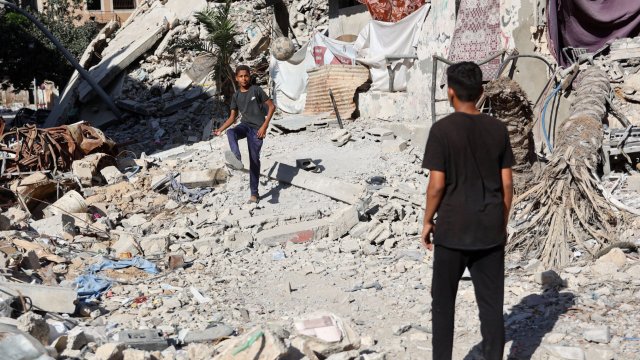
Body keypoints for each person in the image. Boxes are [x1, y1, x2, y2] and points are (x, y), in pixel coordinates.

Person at [420, 61, 514, 360]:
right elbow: (508, 184)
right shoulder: (498, 129)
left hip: (452, 230)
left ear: (450, 92)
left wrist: (426, 221)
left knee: (443, 305)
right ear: (481, 92)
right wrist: (502, 221)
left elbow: (436, 185)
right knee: (491, 307)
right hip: (489, 230)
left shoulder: (442, 130)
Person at [213, 65, 276, 203]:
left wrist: (264, 127)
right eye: (240, 76)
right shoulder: (236, 96)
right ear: (236, 78)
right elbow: (232, 118)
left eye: (246, 76)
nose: (244, 79)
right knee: (231, 132)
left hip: (257, 130)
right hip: (245, 126)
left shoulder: (256, 90)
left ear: (249, 76)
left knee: (254, 161)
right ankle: (237, 158)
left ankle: (254, 194)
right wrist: (220, 130)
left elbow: (272, 107)